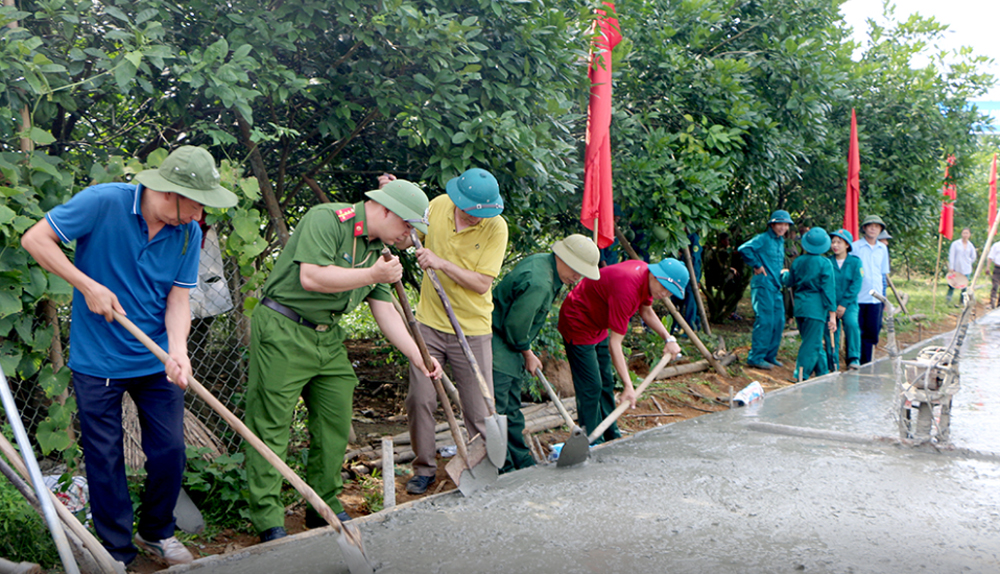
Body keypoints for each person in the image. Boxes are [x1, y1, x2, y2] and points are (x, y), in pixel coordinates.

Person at [20, 146, 238, 566]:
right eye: (196, 205)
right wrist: (87, 285)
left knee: (171, 449)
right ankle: (115, 551)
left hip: (155, 358)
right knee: (104, 457)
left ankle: (157, 533)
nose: (199, 216)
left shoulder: (188, 233)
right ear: (170, 193)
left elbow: (178, 299)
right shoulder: (104, 202)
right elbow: (35, 239)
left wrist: (178, 352)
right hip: (97, 359)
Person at [244, 178, 443, 542]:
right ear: (384, 209)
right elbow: (311, 277)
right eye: (406, 224)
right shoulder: (329, 220)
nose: (408, 234)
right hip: (284, 328)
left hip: (328, 337)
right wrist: (372, 274)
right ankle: (268, 518)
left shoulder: (380, 250)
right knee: (270, 424)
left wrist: (419, 357)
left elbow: (385, 311)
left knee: (334, 423)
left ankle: (323, 503)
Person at [406, 168, 508, 495]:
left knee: (478, 409)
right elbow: (406, 223)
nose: (480, 217)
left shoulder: (496, 227)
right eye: (474, 211)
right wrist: (397, 193)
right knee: (419, 398)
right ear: (458, 202)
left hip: (473, 329)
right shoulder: (436, 207)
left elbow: (481, 284)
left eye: (486, 212)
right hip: (429, 324)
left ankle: (481, 469)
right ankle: (423, 469)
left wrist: (442, 263)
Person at [491, 235, 601, 472]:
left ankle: (521, 462)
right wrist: (527, 352)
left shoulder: (546, 265)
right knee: (500, 410)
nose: (578, 277)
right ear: (564, 258)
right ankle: (504, 468)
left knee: (510, 408)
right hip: (498, 344)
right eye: (577, 270)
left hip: (507, 343)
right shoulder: (540, 282)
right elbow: (515, 327)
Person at [557, 259, 687, 443]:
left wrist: (669, 338)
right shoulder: (628, 288)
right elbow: (615, 344)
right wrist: (628, 385)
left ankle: (611, 434)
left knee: (606, 382)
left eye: (669, 291)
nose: (664, 293)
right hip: (578, 320)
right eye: (663, 286)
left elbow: (647, 311)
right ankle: (591, 442)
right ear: (655, 274)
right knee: (591, 386)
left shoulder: (646, 280)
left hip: (599, 322)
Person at [738, 210, 793, 370]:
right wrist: (757, 264)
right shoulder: (763, 238)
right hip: (763, 285)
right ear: (773, 224)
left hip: (776, 286)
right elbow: (744, 249)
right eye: (780, 224)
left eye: (786, 224)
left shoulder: (780, 241)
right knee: (765, 321)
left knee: (779, 320)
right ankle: (756, 357)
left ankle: (770, 356)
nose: (783, 227)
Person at [780, 228, 836, 381]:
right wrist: (832, 314)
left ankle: (823, 372)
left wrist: (784, 274)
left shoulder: (798, 261)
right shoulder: (825, 263)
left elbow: (789, 281)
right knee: (811, 343)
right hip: (816, 308)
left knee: (813, 341)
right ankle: (800, 374)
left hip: (800, 306)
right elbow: (828, 290)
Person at [851, 215, 891, 365]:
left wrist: (884, 298)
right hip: (859, 296)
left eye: (877, 226)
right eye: (870, 226)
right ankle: (856, 360)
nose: (873, 229)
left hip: (876, 298)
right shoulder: (855, 247)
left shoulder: (882, 249)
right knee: (857, 329)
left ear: (880, 230)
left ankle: (867, 361)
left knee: (873, 330)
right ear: (864, 228)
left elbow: (883, 275)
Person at [827, 229, 863, 370]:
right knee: (831, 329)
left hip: (849, 305)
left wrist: (843, 304)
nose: (835, 245)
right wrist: (833, 306)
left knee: (852, 324)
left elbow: (856, 284)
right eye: (833, 242)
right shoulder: (828, 262)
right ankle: (833, 361)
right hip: (831, 304)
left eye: (839, 242)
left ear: (847, 245)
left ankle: (854, 358)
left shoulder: (855, 262)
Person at [947, 227, 976, 306]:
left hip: (966, 268)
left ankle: (962, 301)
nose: (965, 235)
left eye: (967, 233)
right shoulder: (955, 244)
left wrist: (968, 261)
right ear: (961, 234)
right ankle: (948, 300)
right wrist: (951, 266)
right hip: (956, 267)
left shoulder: (970, 245)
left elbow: (973, 256)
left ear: (969, 235)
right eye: (964, 233)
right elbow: (952, 255)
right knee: (952, 284)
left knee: (964, 286)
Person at [988, 238, 1000, 308]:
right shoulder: (996, 245)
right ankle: (992, 302)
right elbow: (990, 257)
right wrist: (988, 267)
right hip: (997, 268)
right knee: (995, 285)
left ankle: (999, 305)